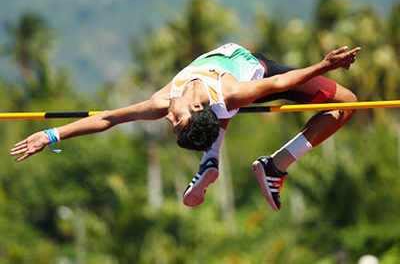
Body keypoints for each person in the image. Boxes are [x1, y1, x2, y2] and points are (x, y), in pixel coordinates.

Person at [10, 43, 360, 212]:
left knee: (347, 104)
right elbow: (106, 118)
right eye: (177, 124)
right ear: (196, 108)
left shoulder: (166, 102)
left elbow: (108, 118)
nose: (168, 120)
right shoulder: (231, 95)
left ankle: (254, 163)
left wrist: (325, 65)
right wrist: (51, 134)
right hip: (257, 75)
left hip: (260, 74)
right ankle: (234, 161)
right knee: (346, 102)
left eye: (174, 124)